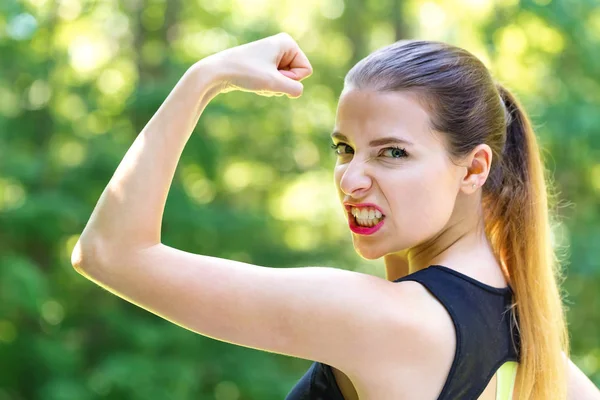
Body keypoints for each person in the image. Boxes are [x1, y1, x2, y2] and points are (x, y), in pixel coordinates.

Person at [71, 32, 599, 399]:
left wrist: (204, 77)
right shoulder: (533, 342)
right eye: (345, 149)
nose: (350, 178)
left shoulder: (380, 318)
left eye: (392, 152)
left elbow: (109, 254)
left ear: (473, 167)